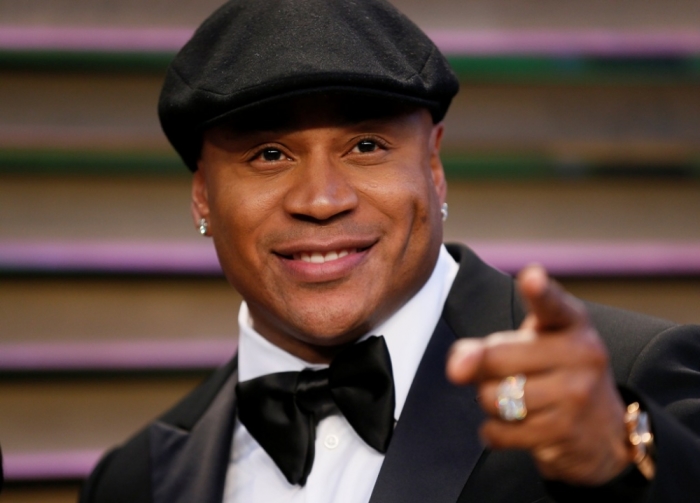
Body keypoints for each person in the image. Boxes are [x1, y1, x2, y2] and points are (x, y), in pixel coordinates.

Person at [80, 0, 700, 502]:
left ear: (433, 164)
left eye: (367, 145)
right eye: (269, 154)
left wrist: (619, 461)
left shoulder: (628, 384)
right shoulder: (137, 481)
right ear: (202, 198)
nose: (321, 200)